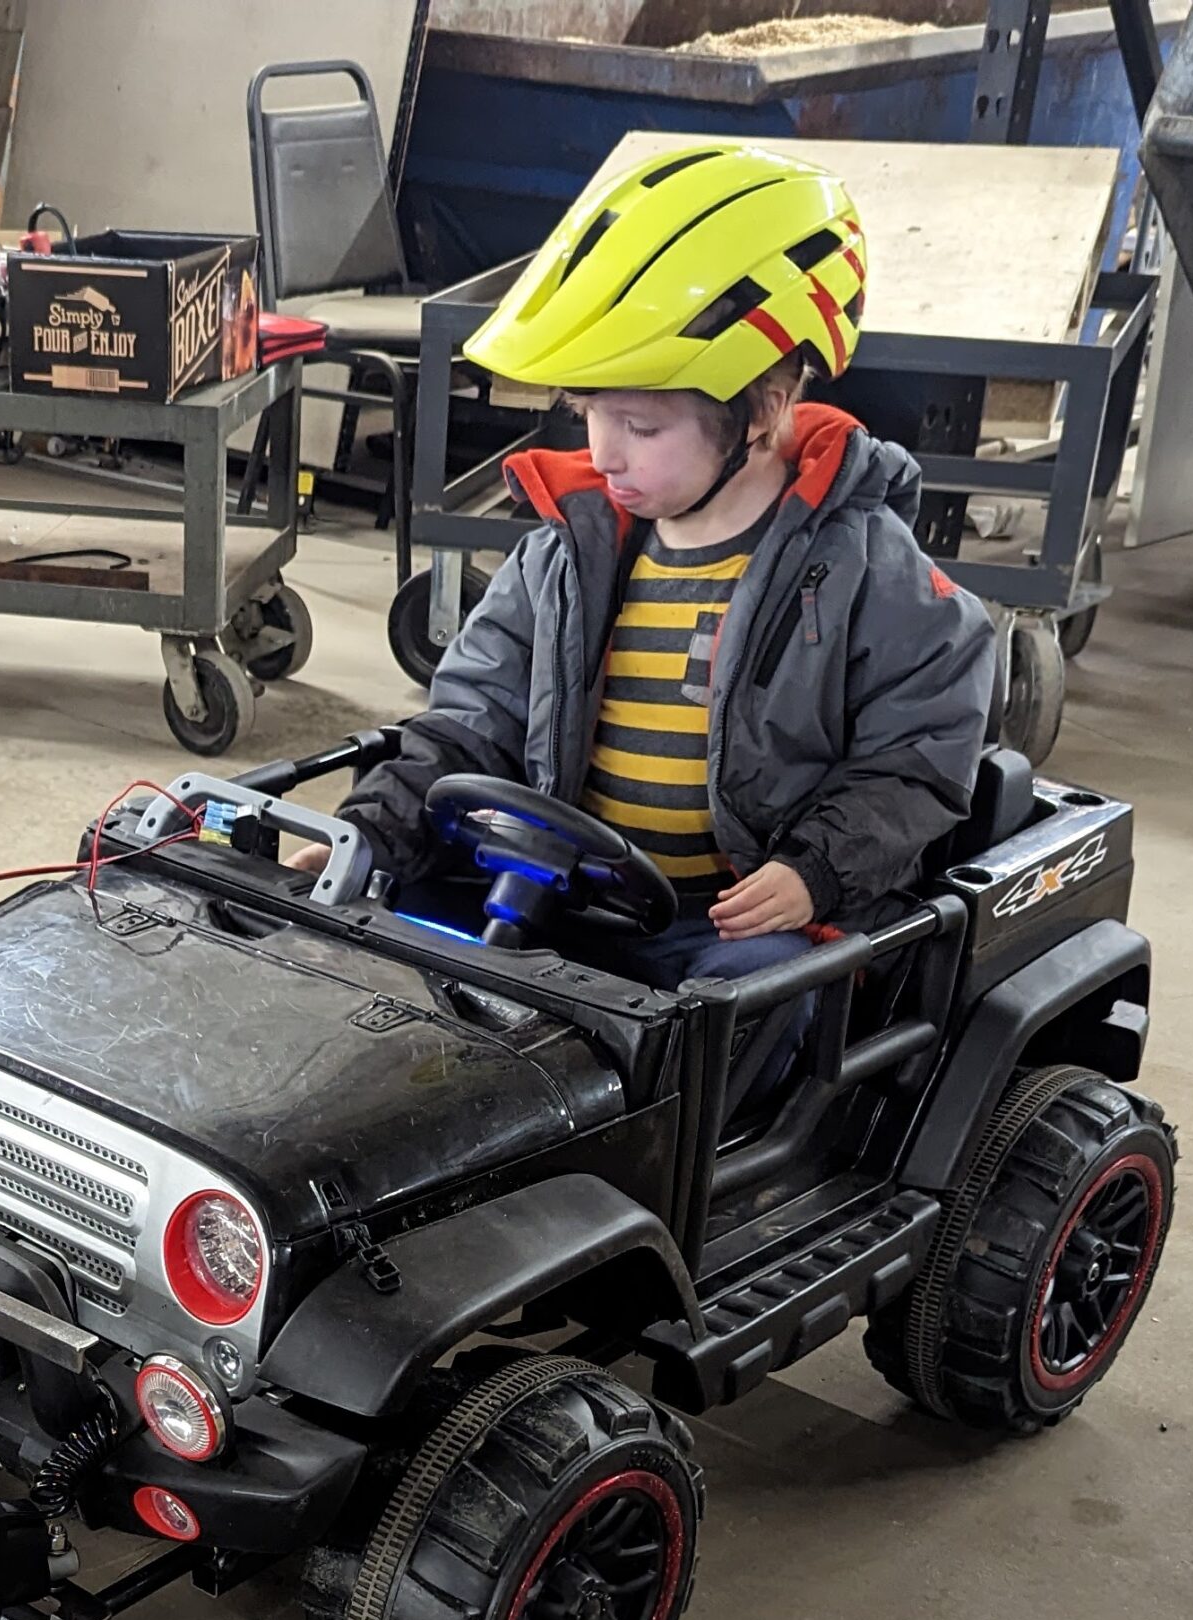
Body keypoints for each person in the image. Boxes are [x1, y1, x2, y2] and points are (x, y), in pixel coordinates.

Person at [299, 144, 995, 1022]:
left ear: (766, 405)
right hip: (554, 894)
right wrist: (373, 831)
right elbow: (471, 723)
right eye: (588, 416)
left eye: (639, 423)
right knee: (364, 953)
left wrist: (814, 871)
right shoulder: (561, 556)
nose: (601, 454)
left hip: (724, 927)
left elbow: (917, 763)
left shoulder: (868, 571)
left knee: (751, 1006)